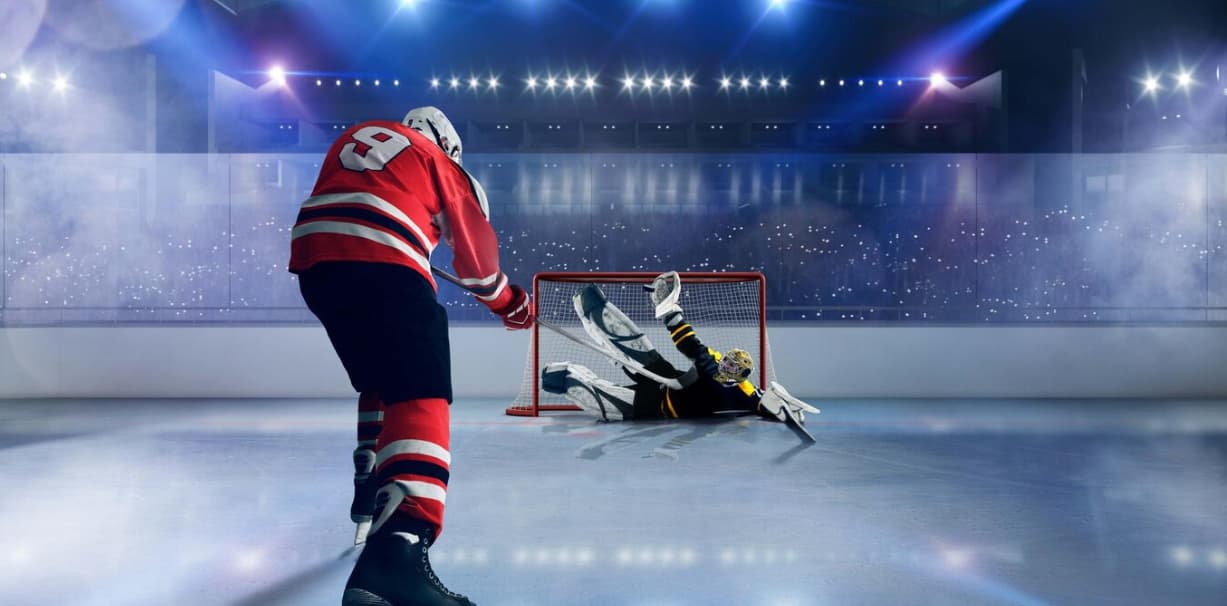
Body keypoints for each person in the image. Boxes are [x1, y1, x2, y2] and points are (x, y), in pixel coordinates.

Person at [289, 106, 532, 606]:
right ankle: (397, 552)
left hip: (316, 262)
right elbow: (480, 270)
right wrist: (515, 306)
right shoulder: (441, 162)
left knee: (383, 377)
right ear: (449, 145)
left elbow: (355, 202)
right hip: (384, 259)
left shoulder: (357, 133)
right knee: (421, 387)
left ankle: (367, 479)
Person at [541, 272, 816, 424]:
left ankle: (561, 378)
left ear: (739, 375)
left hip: (658, 406)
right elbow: (692, 346)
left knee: (604, 400)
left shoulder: (742, 391)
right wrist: (670, 313)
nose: (727, 366)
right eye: (729, 361)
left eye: (733, 367)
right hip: (668, 378)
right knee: (635, 345)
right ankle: (592, 305)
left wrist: (777, 409)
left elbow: (758, 401)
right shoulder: (718, 364)